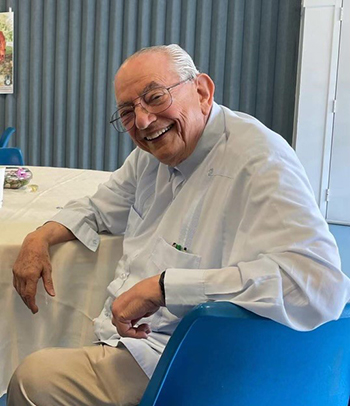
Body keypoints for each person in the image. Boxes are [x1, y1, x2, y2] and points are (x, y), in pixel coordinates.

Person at [8, 44, 350, 405]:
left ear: (202, 91)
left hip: (194, 362)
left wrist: (165, 287)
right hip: (131, 336)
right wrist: (39, 236)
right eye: (127, 112)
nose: (142, 121)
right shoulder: (152, 158)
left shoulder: (259, 160)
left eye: (155, 97)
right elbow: (98, 207)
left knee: (33, 380)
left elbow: (318, 285)